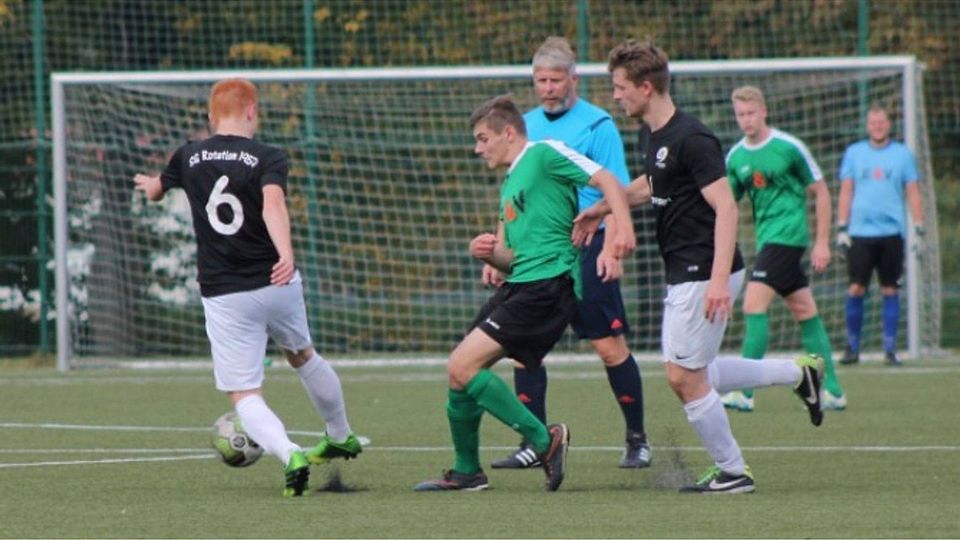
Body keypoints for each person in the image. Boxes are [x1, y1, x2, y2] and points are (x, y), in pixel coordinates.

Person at [573, 40, 824, 494]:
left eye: (620, 87)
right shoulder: (652, 134)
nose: (616, 96)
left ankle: (733, 471)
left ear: (646, 88)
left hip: (705, 269)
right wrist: (602, 210)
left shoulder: (694, 138)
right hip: (685, 269)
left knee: (682, 377)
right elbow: (654, 183)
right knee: (696, 370)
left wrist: (718, 283)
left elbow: (727, 208)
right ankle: (798, 372)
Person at [133, 79, 362, 498]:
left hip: (226, 293)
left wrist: (151, 184)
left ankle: (289, 452)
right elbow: (273, 204)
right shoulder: (268, 156)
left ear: (210, 116)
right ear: (252, 110)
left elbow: (157, 191)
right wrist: (285, 254)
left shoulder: (189, 154)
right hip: (278, 281)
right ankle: (340, 434)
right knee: (302, 354)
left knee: (244, 394)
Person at [414, 95, 636, 492]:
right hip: (523, 283)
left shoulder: (544, 154)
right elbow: (511, 259)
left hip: (550, 284)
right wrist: (487, 252)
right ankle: (467, 470)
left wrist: (620, 229)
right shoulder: (510, 185)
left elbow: (606, 180)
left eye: (483, 139)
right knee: (459, 371)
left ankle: (543, 441)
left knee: (464, 366)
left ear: (509, 133)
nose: (477, 148)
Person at [485, 36, 651, 471]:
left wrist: (613, 244)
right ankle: (534, 442)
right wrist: (501, 250)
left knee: (608, 345)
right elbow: (513, 194)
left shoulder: (598, 125)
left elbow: (616, 187)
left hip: (587, 243)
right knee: (523, 347)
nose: (548, 88)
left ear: (573, 79)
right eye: (540, 80)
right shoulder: (523, 127)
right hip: (537, 251)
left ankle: (637, 439)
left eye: (556, 80)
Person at [720, 86, 847, 412]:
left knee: (752, 305)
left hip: (787, 237)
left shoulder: (789, 148)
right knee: (805, 310)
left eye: (750, 113)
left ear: (764, 112)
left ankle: (744, 393)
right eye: (740, 115)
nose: (746, 120)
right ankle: (832, 389)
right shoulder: (735, 157)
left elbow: (820, 191)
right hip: (768, 241)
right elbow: (726, 204)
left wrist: (821, 242)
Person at [836, 104, 925, 367]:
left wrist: (918, 227)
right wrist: (842, 226)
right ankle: (852, 348)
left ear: (889, 124)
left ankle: (890, 349)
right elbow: (846, 190)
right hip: (860, 233)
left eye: (881, 122)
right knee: (856, 288)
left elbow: (912, 191)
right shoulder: (854, 153)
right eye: (873, 122)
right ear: (867, 125)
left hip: (892, 233)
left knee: (890, 289)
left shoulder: (902, 155)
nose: (877, 126)